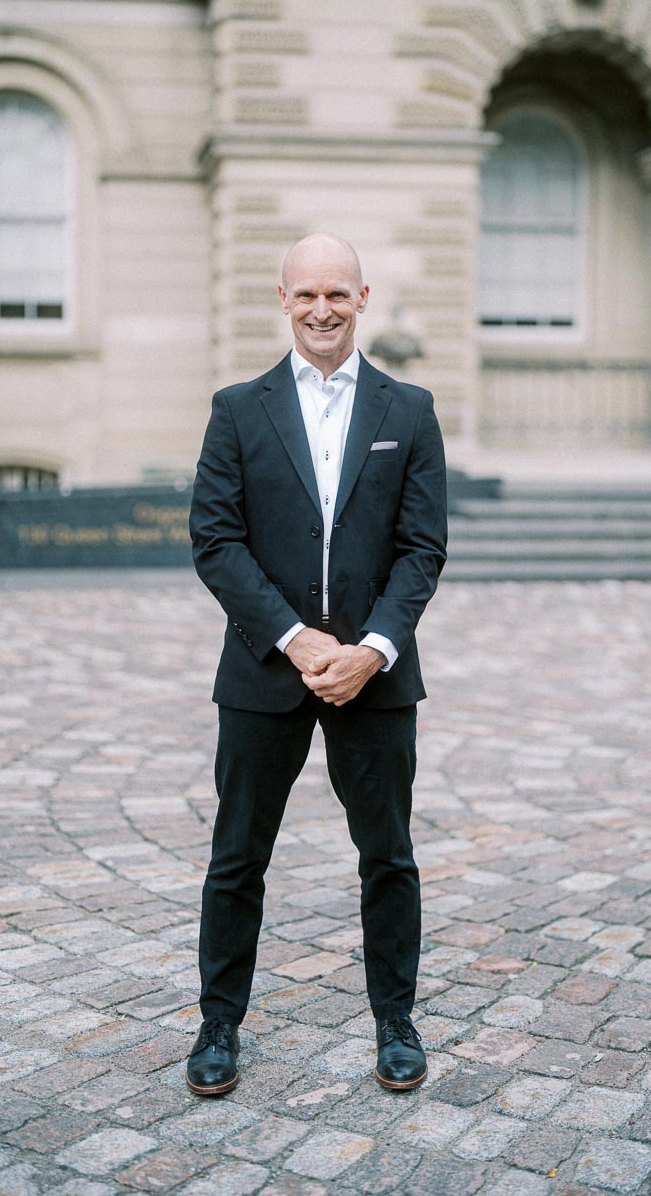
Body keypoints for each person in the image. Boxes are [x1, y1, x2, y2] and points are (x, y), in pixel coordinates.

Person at [186, 233, 447, 1096]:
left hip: (375, 679)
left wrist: (371, 651)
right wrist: (297, 641)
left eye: (338, 295)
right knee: (237, 857)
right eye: (307, 296)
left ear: (363, 299)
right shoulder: (237, 408)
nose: (323, 311)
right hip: (265, 673)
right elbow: (215, 541)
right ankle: (218, 1024)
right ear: (284, 298)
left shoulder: (408, 411)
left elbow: (422, 550)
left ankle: (395, 1020)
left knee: (389, 856)